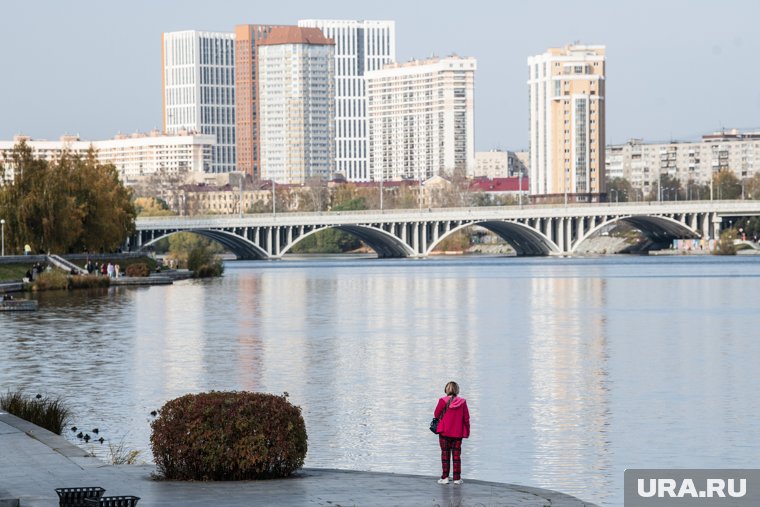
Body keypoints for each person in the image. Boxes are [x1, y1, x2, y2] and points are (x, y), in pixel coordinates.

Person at [434, 381, 470, 485]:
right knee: (456, 456)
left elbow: (436, 414)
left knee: (445, 455)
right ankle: (457, 479)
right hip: (458, 433)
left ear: (446, 389)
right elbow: (466, 418)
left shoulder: (442, 401)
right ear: (457, 390)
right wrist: (467, 431)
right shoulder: (463, 402)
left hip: (444, 432)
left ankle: (445, 478)